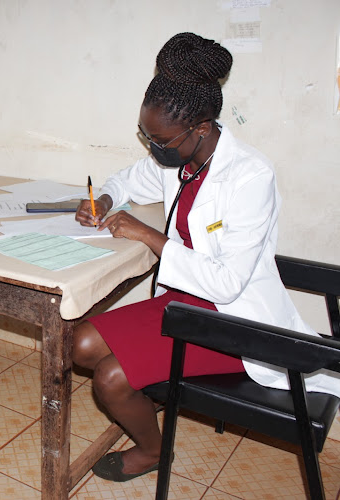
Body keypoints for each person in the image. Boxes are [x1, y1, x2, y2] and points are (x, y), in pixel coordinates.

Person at [73, 32, 340, 483]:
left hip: (234, 318)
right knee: (81, 344)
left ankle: (154, 450)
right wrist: (104, 197)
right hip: (184, 302)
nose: (152, 148)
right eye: (145, 135)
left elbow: (225, 284)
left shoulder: (250, 175)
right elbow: (127, 180)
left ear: (200, 129)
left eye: (159, 139)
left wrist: (150, 237)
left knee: (109, 379)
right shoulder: (178, 156)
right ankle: (150, 392)